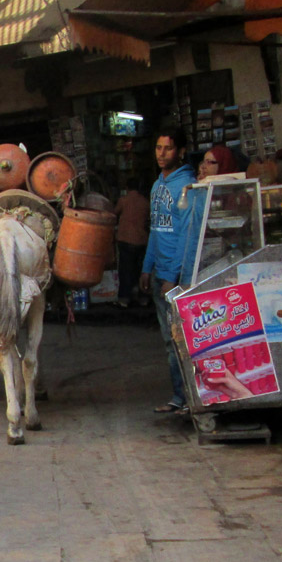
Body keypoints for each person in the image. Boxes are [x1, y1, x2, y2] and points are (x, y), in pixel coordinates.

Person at [139, 127, 197, 416]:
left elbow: (187, 236)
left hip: (177, 277)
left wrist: (172, 276)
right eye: (159, 148)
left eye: (168, 148)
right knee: (168, 340)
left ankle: (189, 397)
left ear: (181, 151)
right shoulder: (157, 186)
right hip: (159, 274)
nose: (162, 154)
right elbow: (155, 230)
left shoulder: (187, 186)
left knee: (181, 339)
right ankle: (179, 397)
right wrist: (147, 267)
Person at [113, 177, 150, 309]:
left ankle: (124, 299)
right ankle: (143, 298)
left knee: (125, 271)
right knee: (141, 271)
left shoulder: (123, 201)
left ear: (127, 188)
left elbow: (113, 214)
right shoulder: (146, 202)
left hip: (125, 240)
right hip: (142, 241)